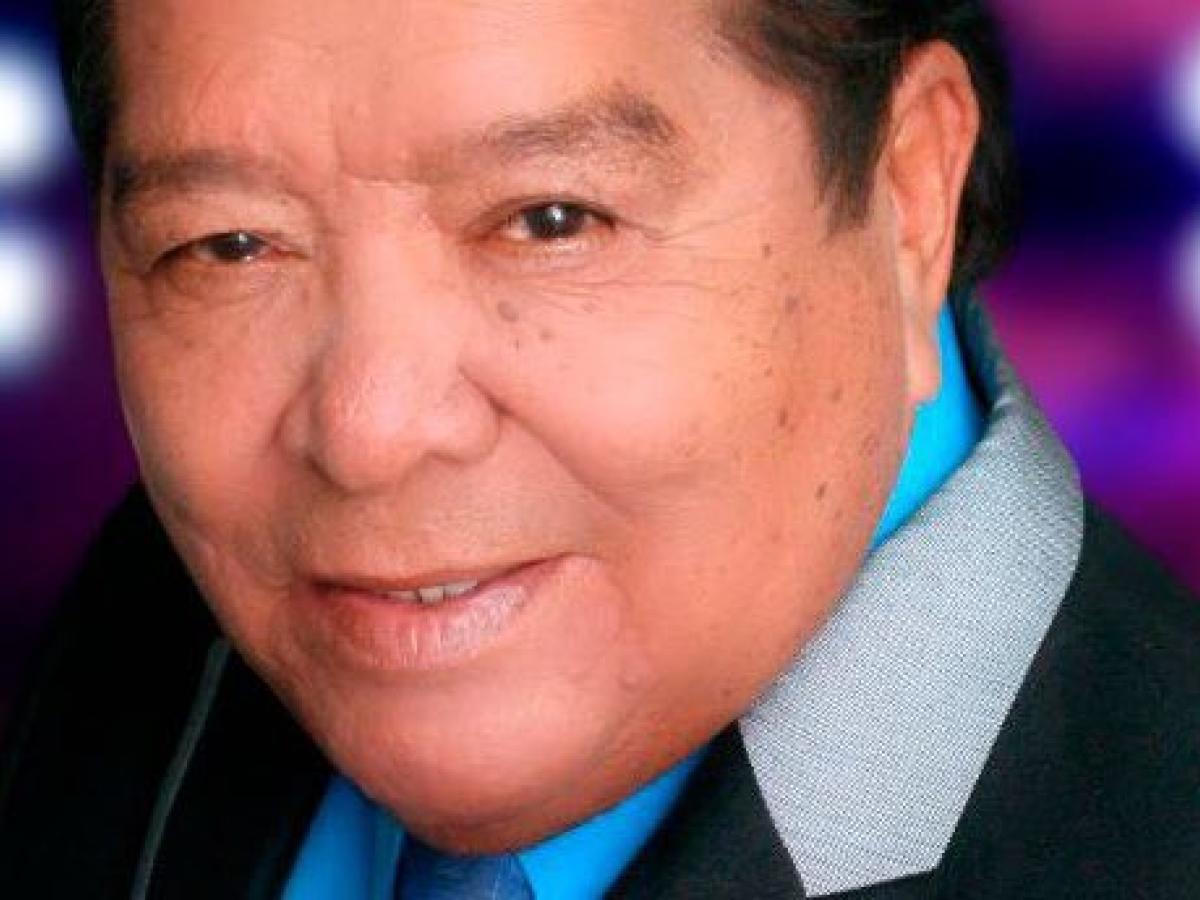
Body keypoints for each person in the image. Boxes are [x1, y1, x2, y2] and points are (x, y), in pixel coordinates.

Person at [2, 1, 1198, 897]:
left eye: (550, 220)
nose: (367, 435)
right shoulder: (142, 634)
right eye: (228, 246)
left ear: (909, 195)